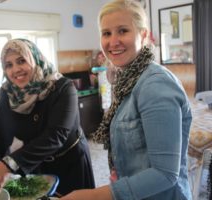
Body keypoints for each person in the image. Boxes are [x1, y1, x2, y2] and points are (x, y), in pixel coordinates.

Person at [61, 0, 192, 199]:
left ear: (144, 34)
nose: (113, 42)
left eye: (122, 31)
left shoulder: (155, 86)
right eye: (106, 33)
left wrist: (96, 195)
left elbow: (165, 174)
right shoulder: (126, 79)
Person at [0, 38, 95, 198]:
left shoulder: (63, 88)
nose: (16, 69)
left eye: (21, 61)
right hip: (34, 163)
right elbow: (0, 134)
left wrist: (8, 164)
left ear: (35, 59)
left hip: (70, 162)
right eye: (9, 65)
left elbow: (55, 136)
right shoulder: (8, 93)